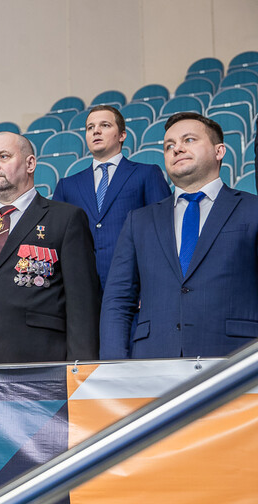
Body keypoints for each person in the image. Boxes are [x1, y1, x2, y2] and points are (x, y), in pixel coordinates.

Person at [101, 112, 258, 359]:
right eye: (169, 146)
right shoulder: (139, 220)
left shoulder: (252, 209)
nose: (177, 149)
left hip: (236, 360)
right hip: (154, 360)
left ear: (219, 151)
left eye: (189, 140)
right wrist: (114, 366)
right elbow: (118, 301)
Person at [0, 132, 100, 365]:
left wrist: (80, 371)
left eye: (3, 157)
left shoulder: (65, 219)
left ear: (30, 164)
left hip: (38, 365)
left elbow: (83, 306)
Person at [53, 105, 171, 289]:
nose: (96, 131)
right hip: (82, 289)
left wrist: (150, 290)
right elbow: (55, 241)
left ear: (122, 135)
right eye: (90, 127)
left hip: (133, 286)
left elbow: (163, 232)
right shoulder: (67, 185)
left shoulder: (147, 174)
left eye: (105, 125)